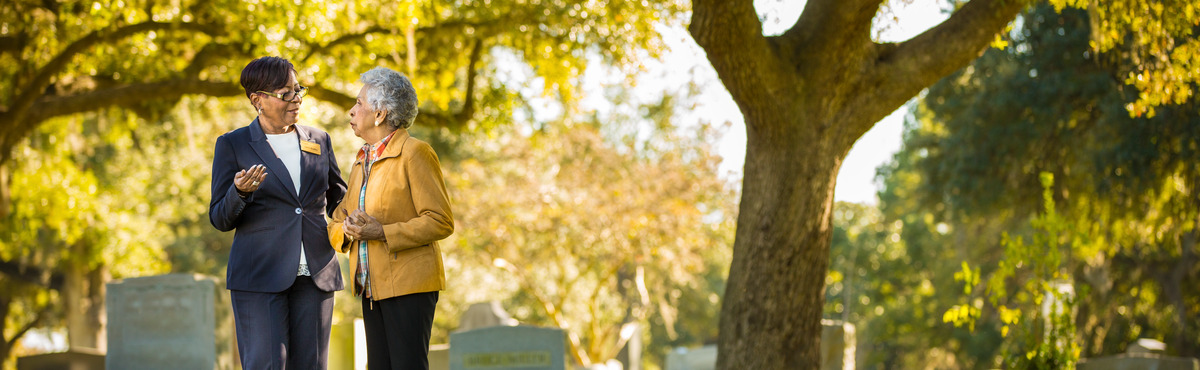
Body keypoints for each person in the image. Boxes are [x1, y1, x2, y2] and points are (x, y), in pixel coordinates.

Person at [209, 56, 347, 369]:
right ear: (258, 100)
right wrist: (240, 192)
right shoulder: (232, 145)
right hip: (259, 276)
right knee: (266, 364)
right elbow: (219, 217)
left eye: (299, 91)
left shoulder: (320, 140)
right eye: (285, 94)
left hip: (316, 274)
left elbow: (339, 199)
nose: (296, 99)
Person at [328, 66, 454, 370]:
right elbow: (336, 219)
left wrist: (381, 232)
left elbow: (440, 220)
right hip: (371, 287)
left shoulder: (416, 153)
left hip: (410, 286)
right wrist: (346, 230)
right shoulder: (361, 160)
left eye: (359, 103)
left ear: (381, 113)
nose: (351, 110)